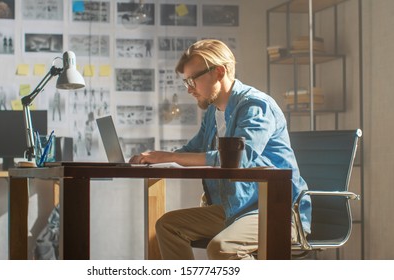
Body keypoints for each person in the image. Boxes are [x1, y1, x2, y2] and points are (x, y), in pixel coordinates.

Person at [129, 39, 312, 260]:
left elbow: (240, 159)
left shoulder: (256, 107)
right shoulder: (213, 112)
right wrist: (156, 158)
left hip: (274, 210)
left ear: (218, 72)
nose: (188, 89)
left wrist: (172, 156)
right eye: (186, 81)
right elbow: (193, 149)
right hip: (233, 208)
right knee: (167, 226)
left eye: (192, 80)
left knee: (221, 247)